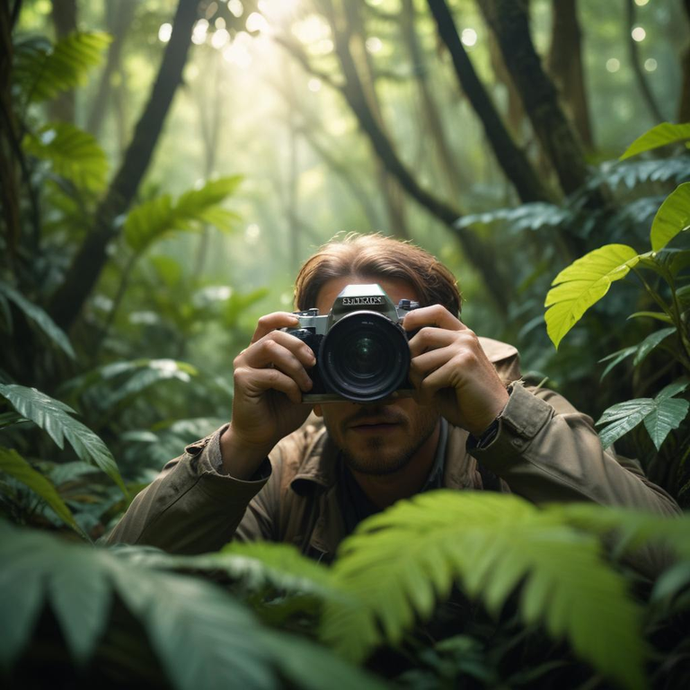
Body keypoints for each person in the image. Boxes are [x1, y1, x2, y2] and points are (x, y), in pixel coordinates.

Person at [107, 234, 680, 573]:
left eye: (392, 343)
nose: (370, 384)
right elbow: (116, 582)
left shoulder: (512, 434)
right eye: (345, 349)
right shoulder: (279, 473)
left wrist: (507, 422)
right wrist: (240, 448)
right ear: (305, 353)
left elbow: (671, 557)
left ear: (446, 342)